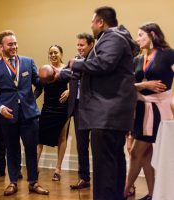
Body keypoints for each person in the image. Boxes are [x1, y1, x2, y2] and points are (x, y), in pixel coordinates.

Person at [44, 7, 138, 200]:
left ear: (101, 22)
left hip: (107, 113)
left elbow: (103, 65)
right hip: (108, 113)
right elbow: (92, 70)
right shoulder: (112, 39)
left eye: (93, 21)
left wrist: (73, 63)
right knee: (113, 162)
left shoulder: (113, 38)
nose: (91, 25)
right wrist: (60, 73)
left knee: (105, 166)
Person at [0, 30, 49, 196]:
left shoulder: (28, 62)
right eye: (10, 44)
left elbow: (39, 83)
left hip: (29, 115)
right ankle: (13, 182)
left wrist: (32, 98)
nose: (14, 46)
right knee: (12, 149)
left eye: (15, 43)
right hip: (8, 115)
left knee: (31, 148)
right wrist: (0, 108)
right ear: (1, 47)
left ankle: (33, 182)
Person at [124, 22, 174, 200]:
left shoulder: (168, 54)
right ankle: (153, 193)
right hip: (141, 109)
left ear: (152, 35)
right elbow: (127, 84)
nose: (137, 39)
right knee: (144, 154)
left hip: (161, 110)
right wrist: (143, 85)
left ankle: (124, 191)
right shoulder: (137, 59)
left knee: (139, 152)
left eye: (140, 35)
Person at [0, 43, 23, 179]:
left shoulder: (18, 63)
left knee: (14, 138)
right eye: (2, 47)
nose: (4, 49)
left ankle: (17, 169)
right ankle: (0, 168)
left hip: (12, 105)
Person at [37, 45, 70, 182]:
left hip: (63, 107)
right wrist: (30, 100)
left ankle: (58, 169)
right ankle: (34, 167)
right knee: (39, 138)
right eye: (51, 53)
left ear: (61, 54)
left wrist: (70, 91)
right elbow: (39, 88)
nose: (53, 55)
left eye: (56, 52)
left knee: (62, 137)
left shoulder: (67, 69)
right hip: (48, 106)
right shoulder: (45, 69)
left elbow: (77, 83)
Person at [69, 33, 94, 190]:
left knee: (98, 145)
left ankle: (102, 177)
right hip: (78, 107)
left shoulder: (96, 61)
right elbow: (66, 75)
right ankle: (84, 178)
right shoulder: (74, 60)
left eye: (82, 45)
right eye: (77, 45)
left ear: (91, 44)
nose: (79, 48)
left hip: (95, 108)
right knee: (82, 144)